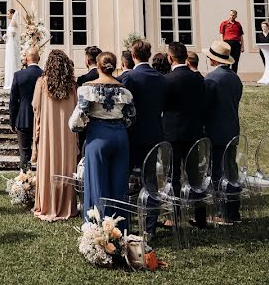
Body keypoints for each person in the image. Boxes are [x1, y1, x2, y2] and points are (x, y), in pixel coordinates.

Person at [70, 51, 134, 221]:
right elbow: (131, 118)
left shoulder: (88, 88)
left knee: (97, 182)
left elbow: (78, 117)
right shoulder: (124, 90)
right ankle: (119, 227)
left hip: (98, 135)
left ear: (98, 66)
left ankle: (97, 227)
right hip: (120, 136)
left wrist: (77, 127)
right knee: (119, 183)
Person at [162, 42, 207, 227]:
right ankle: (201, 215)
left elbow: (163, 105)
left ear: (170, 58)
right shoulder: (198, 78)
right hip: (193, 131)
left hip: (173, 133)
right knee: (195, 175)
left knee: (173, 175)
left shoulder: (167, 80)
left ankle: (174, 215)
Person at [31, 49, 79, 221]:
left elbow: (35, 106)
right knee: (66, 165)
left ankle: (48, 204)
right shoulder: (72, 86)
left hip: (48, 133)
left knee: (48, 163)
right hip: (67, 133)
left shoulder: (42, 83)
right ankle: (66, 205)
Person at [202, 39, 243, 222]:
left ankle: (224, 212)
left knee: (219, 172)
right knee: (231, 170)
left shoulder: (211, 79)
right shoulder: (235, 78)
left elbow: (206, 106)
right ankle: (233, 210)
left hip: (215, 130)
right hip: (232, 128)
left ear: (213, 59)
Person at [118, 40, 167, 172]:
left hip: (133, 133)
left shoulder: (130, 77)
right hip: (155, 131)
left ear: (133, 55)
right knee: (150, 173)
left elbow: (124, 105)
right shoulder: (161, 77)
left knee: (129, 173)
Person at [9, 47, 42, 170]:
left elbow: (13, 101)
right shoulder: (45, 74)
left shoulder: (18, 75)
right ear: (38, 58)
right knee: (42, 152)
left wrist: (12, 121)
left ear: (26, 59)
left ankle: (24, 179)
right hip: (41, 118)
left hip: (23, 118)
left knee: (24, 153)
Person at [3, 9, 21, 91]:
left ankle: (11, 82)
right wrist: (6, 36)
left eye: (8, 14)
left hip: (11, 45)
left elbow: (13, 35)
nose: (7, 15)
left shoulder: (13, 23)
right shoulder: (11, 23)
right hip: (9, 44)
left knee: (11, 61)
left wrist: (7, 35)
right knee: (9, 62)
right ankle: (9, 81)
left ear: (12, 14)